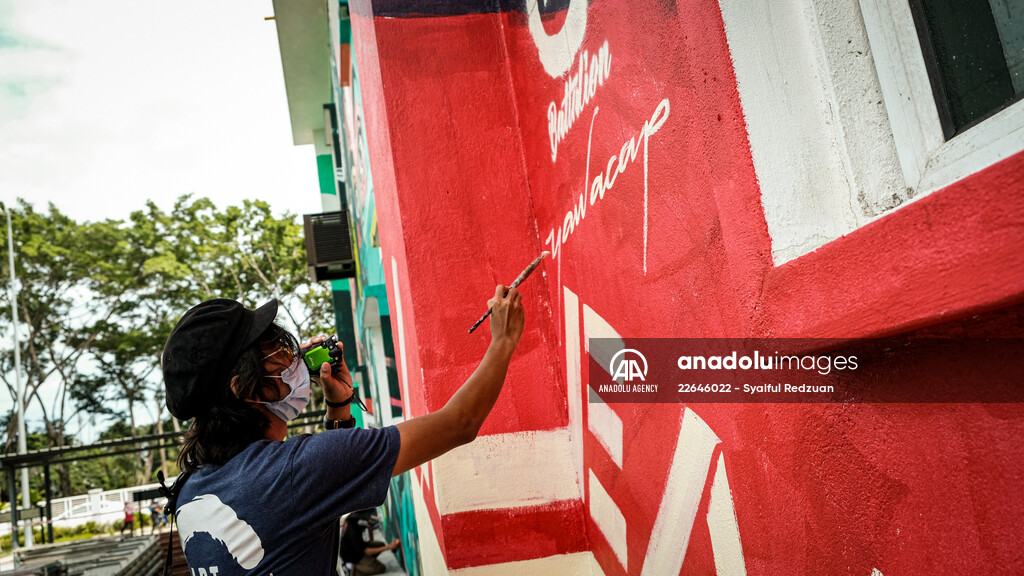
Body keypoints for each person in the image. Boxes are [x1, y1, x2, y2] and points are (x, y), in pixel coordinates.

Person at [160, 285, 524, 575]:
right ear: (245, 388)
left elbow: (312, 503)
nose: (293, 359)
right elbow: (458, 424)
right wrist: (503, 340)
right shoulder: (293, 471)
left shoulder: (192, 490)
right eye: (278, 353)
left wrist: (338, 408)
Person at [339, 509, 399, 576]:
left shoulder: (352, 518)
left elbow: (369, 536)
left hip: (355, 548)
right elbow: (367, 551)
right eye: (367, 515)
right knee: (380, 568)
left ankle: (368, 562)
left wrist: (368, 525)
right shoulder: (353, 532)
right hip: (352, 557)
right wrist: (389, 547)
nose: (368, 517)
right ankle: (352, 569)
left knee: (380, 545)